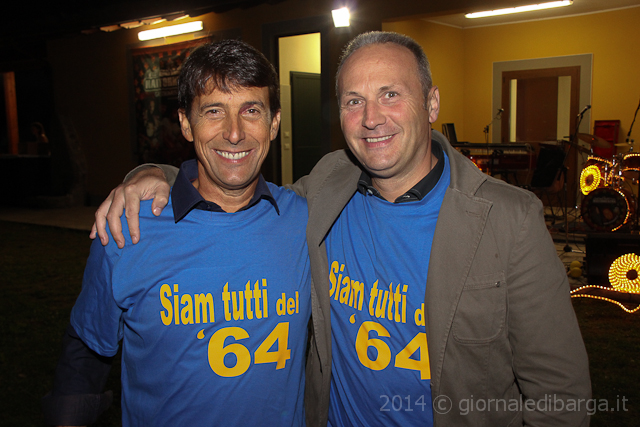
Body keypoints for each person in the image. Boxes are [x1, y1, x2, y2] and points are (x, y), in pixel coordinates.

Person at [93, 32, 591, 426]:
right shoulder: (326, 188)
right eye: (354, 101)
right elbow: (229, 181)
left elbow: (560, 394)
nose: (372, 118)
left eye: (390, 94)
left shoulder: (509, 219)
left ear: (432, 104)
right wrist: (154, 175)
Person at [43, 39, 311, 426]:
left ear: (274, 123)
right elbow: (84, 353)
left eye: (251, 110)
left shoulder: (304, 220)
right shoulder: (129, 227)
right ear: (186, 123)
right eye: (214, 111)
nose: (234, 133)